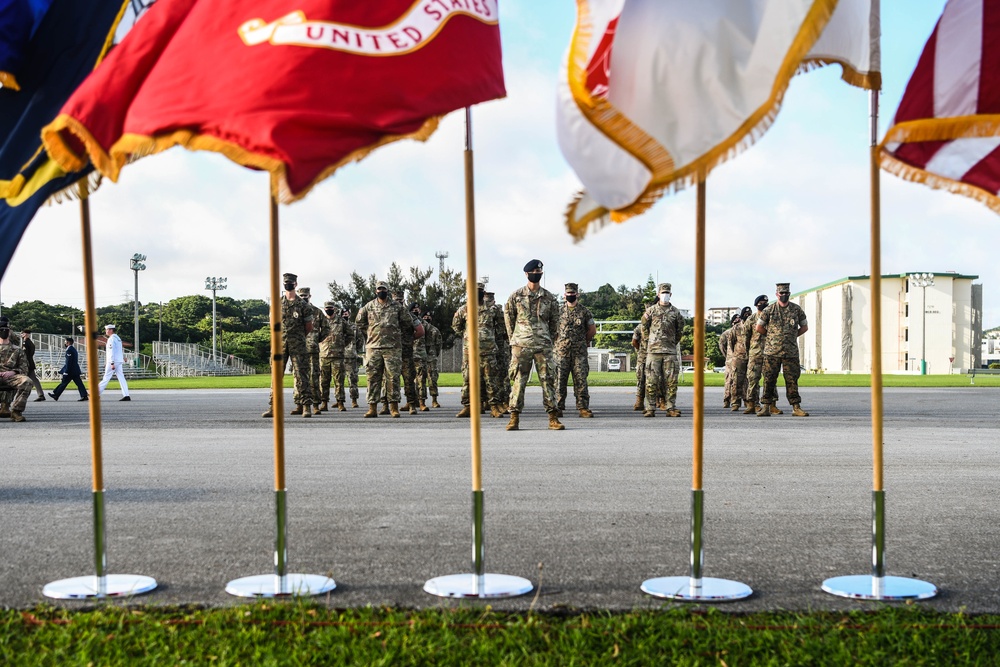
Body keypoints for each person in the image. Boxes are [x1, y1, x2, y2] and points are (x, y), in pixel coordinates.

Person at [503, 259, 563, 431]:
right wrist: (514, 339)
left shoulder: (549, 297)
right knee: (518, 381)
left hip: (543, 345)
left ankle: (553, 417)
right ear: (526, 274)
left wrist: (548, 338)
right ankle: (514, 417)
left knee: (548, 380)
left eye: (539, 272)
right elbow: (509, 319)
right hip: (521, 345)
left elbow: (555, 322)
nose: (536, 275)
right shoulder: (516, 296)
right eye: (533, 272)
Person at [356, 280, 413, 418]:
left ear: (387, 291)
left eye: (384, 289)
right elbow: (359, 322)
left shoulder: (397, 307)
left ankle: (394, 407)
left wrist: (397, 336)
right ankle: (372, 408)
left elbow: (407, 323)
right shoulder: (368, 306)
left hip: (392, 348)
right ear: (376, 291)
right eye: (379, 289)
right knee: (373, 378)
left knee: (393, 378)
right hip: (373, 348)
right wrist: (370, 334)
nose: (381, 291)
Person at [263, 273, 314, 418]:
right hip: (280, 344)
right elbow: (273, 324)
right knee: (276, 377)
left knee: (301, 375)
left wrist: (298, 337)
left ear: (296, 284)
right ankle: (274, 407)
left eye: (291, 282)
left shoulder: (303, 305)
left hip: (298, 344)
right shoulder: (277, 304)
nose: (288, 284)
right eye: (286, 282)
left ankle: (306, 406)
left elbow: (308, 326)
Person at [756, 282, 810, 417]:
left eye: (786, 293)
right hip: (772, 352)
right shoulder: (769, 310)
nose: (784, 295)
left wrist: (792, 336)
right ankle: (766, 407)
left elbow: (804, 327)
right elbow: (759, 328)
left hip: (790, 352)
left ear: (789, 294)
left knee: (792, 380)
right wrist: (771, 337)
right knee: (769, 379)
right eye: (781, 293)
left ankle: (796, 407)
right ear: (777, 294)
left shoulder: (796, 310)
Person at [453, 282, 504, 418]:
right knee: (468, 380)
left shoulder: (492, 309)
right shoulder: (464, 309)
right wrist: (467, 336)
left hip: (488, 351)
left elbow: (501, 326)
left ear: (483, 292)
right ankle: (468, 406)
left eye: (480, 291)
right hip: (470, 352)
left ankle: (494, 407)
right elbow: (456, 326)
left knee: (491, 380)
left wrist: (489, 336)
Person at [642, 282, 685, 417]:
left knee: (671, 382)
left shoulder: (676, 313)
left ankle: (670, 407)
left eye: (667, 293)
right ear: (658, 294)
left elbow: (680, 331)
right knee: (651, 381)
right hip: (653, 352)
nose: (665, 295)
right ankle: (650, 408)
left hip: (669, 351)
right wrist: (651, 341)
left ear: (670, 295)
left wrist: (671, 343)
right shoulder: (651, 311)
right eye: (663, 293)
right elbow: (644, 327)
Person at [555, 282, 596, 418]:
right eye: (568, 293)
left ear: (577, 294)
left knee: (581, 380)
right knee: (560, 380)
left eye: (573, 293)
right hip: (562, 352)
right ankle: (558, 407)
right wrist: (557, 344)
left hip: (579, 353)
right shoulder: (558, 312)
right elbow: (552, 330)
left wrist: (584, 341)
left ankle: (583, 407)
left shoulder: (584, 311)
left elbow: (592, 330)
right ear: (564, 295)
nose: (570, 295)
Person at [297, 287, 329, 414]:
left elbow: (326, 328)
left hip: (313, 350)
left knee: (314, 378)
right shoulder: (294, 310)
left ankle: (315, 404)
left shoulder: (317, 312)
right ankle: (299, 404)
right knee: (298, 378)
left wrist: (317, 340)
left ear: (310, 296)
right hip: (298, 349)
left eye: (306, 295)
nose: (304, 297)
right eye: (301, 295)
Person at [319, 301, 354, 412]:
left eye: (331, 308)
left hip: (338, 355)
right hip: (324, 355)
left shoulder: (341, 321)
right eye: (327, 308)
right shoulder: (321, 321)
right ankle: (324, 402)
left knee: (339, 381)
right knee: (324, 381)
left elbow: (350, 334)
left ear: (334, 309)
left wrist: (342, 345)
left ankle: (340, 402)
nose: (329, 309)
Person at [742, 294, 769, 414]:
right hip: (755, 352)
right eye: (762, 302)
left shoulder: (771, 317)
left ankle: (771, 404)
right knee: (752, 379)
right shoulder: (751, 319)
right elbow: (745, 337)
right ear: (757, 304)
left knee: (769, 380)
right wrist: (748, 351)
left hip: (769, 352)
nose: (764, 304)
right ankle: (752, 404)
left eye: (765, 302)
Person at [0, 323, 31, 421]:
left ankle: (16, 411)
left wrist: (13, 372)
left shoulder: (17, 350)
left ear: (9, 332)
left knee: (27, 382)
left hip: (11, 376)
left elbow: (24, 368)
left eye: (6, 330)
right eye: (1, 330)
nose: (4, 332)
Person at [49, 337, 89, 401]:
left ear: (68, 342)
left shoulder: (69, 350)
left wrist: (66, 371)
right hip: (74, 370)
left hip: (71, 371)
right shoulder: (73, 349)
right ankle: (84, 395)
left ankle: (56, 394)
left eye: (65, 342)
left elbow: (69, 362)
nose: (64, 343)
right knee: (78, 383)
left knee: (64, 383)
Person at [98, 324, 130, 401]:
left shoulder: (111, 339)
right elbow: (119, 350)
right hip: (118, 361)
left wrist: (111, 363)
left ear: (111, 330)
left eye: (107, 330)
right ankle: (126, 395)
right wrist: (122, 357)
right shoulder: (118, 338)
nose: (106, 331)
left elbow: (111, 351)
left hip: (113, 361)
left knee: (106, 377)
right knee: (121, 378)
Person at [730, 307, 752, 412]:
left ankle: (749, 401)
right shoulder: (736, 328)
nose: (748, 315)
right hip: (739, 357)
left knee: (751, 381)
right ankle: (735, 402)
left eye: (749, 314)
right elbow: (731, 342)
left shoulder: (755, 325)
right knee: (737, 381)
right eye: (746, 314)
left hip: (751, 356)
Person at [420, 310, 443, 408]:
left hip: (431, 357)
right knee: (420, 379)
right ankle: (421, 401)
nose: (427, 318)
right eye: (424, 317)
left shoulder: (435, 330)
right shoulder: (418, 328)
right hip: (420, 357)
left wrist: (434, 355)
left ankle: (434, 400)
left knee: (432, 379)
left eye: (428, 317)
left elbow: (438, 345)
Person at [19, 330, 45, 401]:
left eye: (23, 333)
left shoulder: (25, 342)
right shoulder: (30, 343)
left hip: (26, 363)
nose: (21, 335)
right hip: (30, 362)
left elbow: (24, 354)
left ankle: (20, 395)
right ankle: (40, 394)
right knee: (34, 379)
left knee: (21, 379)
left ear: (26, 334)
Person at [346, 308, 363, 408]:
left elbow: (360, 340)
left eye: (346, 313)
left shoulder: (354, 327)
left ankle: (354, 400)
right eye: (343, 313)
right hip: (337, 356)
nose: (345, 314)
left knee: (353, 380)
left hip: (351, 356)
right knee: (337, 381)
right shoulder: (337, 325)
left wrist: (355, 350)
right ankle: (339, 400)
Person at [718, 318, 735, 408]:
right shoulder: (726, 333)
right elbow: (722, 346)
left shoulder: (744, 330)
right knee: (729, 381)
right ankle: (727, 400)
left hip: (743, 359)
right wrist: (728, 356)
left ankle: (744, 400)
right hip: (730, 360)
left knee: (744, 382)